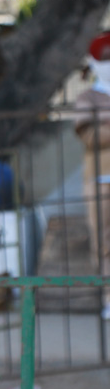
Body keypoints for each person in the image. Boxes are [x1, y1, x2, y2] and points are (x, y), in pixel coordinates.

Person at [75, 31, 110, 320]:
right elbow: (90, 136)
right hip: (102, 180)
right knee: (104, 243)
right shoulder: (87, 97)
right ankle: (109, 297)